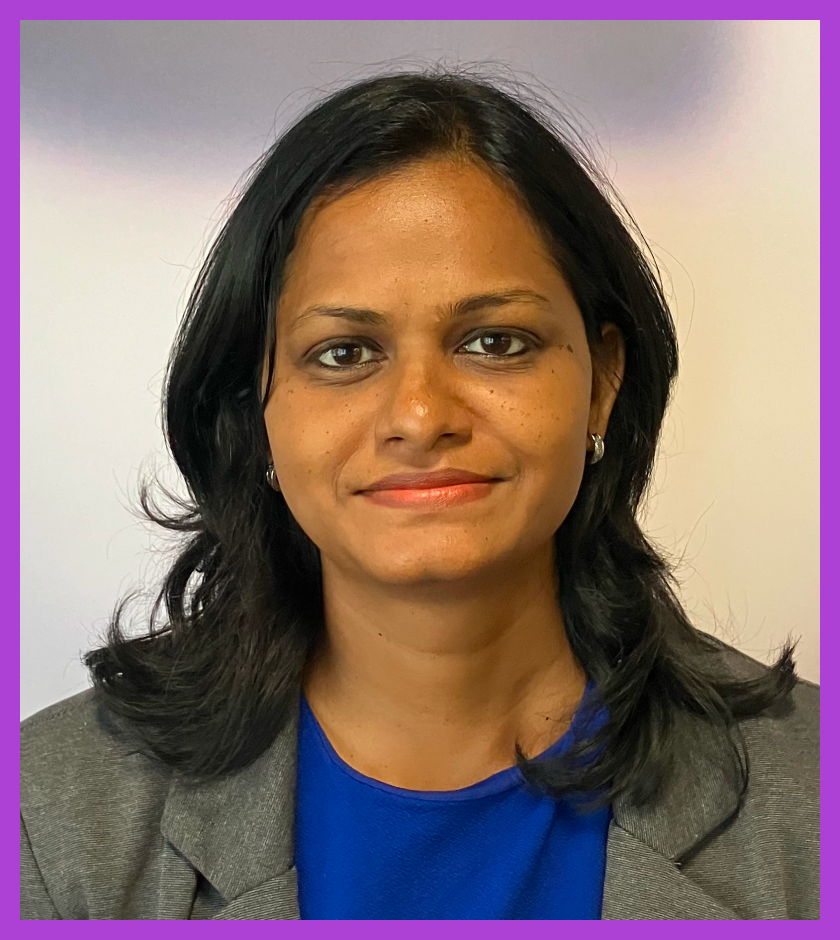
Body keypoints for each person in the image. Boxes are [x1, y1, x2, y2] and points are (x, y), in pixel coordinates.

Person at [20, 69, 818, 921]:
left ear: (602, 383)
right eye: (343, 353)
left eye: (494, 341)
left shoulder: (814, 796)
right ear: (254, 409)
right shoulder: (44, 814)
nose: (419, 415)